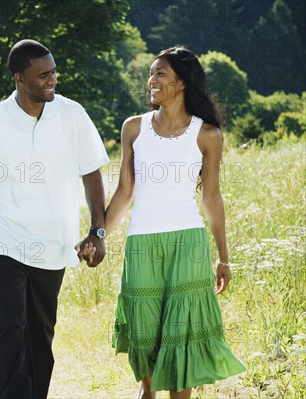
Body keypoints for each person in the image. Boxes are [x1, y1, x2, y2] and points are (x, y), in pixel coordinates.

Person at [80, 46, 246, 398]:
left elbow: (211, 199)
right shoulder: (134, 128)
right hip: (142, 244)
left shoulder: (207, 134)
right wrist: (97, 235)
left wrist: (224, 256)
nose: (151, 80)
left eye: (160, 74)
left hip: (188, 244)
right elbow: (125, 191)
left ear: (182, 83)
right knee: (147, 348)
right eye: (151, 73)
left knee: (181, 344)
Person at [0, 39, 109, 399]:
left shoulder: (73, 115)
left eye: (53, 72)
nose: (52, 80)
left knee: (40, 333)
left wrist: (96, 232)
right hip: (5, 241)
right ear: (19, 78)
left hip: (54, 245)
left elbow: (92, 173)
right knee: (12, 326)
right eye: (43, 75)